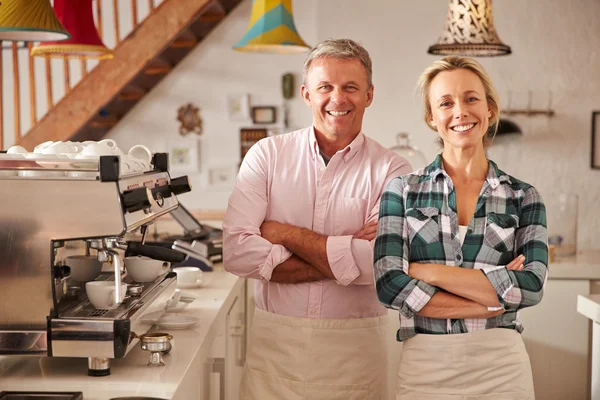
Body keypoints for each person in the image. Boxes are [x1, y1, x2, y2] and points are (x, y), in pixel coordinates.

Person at [223, 38, 412, 400]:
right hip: (275, 350)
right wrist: (347, 255)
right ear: (307, 93)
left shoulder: (393, 170)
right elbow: (236, 252)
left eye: (350, 87)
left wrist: (282, 233)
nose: (337, 99)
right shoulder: (267, 155)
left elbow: (382, 266)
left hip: (356, 355)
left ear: (369, 95)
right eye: (325, 86)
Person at [374, 56, 548, 400]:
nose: (460, 112)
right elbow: (389, 285)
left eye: (471, 99)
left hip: (502, 366)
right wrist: (494, 299)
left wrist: (428, 272)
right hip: (426, 365)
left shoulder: (524, 197)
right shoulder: (402, 190)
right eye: (445, 103)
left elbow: (530, 287)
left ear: (489, 109)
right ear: (431, 117)